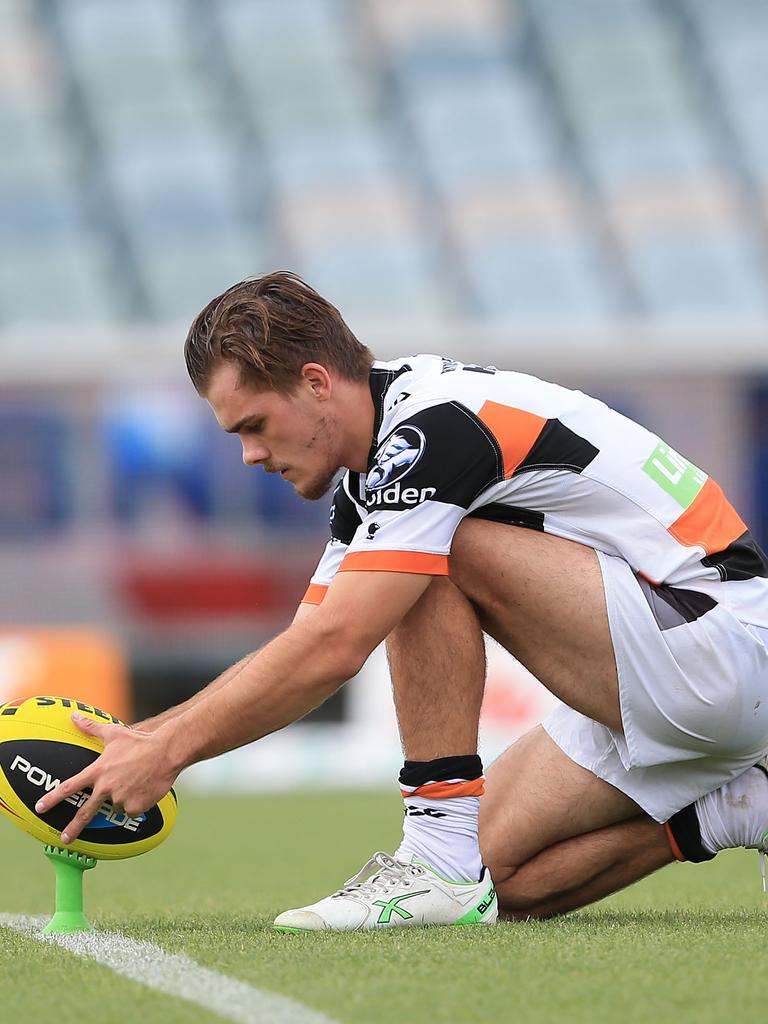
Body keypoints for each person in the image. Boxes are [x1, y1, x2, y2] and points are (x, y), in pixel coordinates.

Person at [37, 272, 768, 931]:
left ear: (318, 382)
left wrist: (164, 748)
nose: (250, 456)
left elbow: (336, 646)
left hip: (720, 650)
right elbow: (310, 642)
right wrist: (151, 740)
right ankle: (740, 807)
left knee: (430, 554)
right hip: (668, 667)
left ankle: (435, 862)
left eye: (254, 425)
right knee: (497, 884)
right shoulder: (381, 466)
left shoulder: (430, 434)